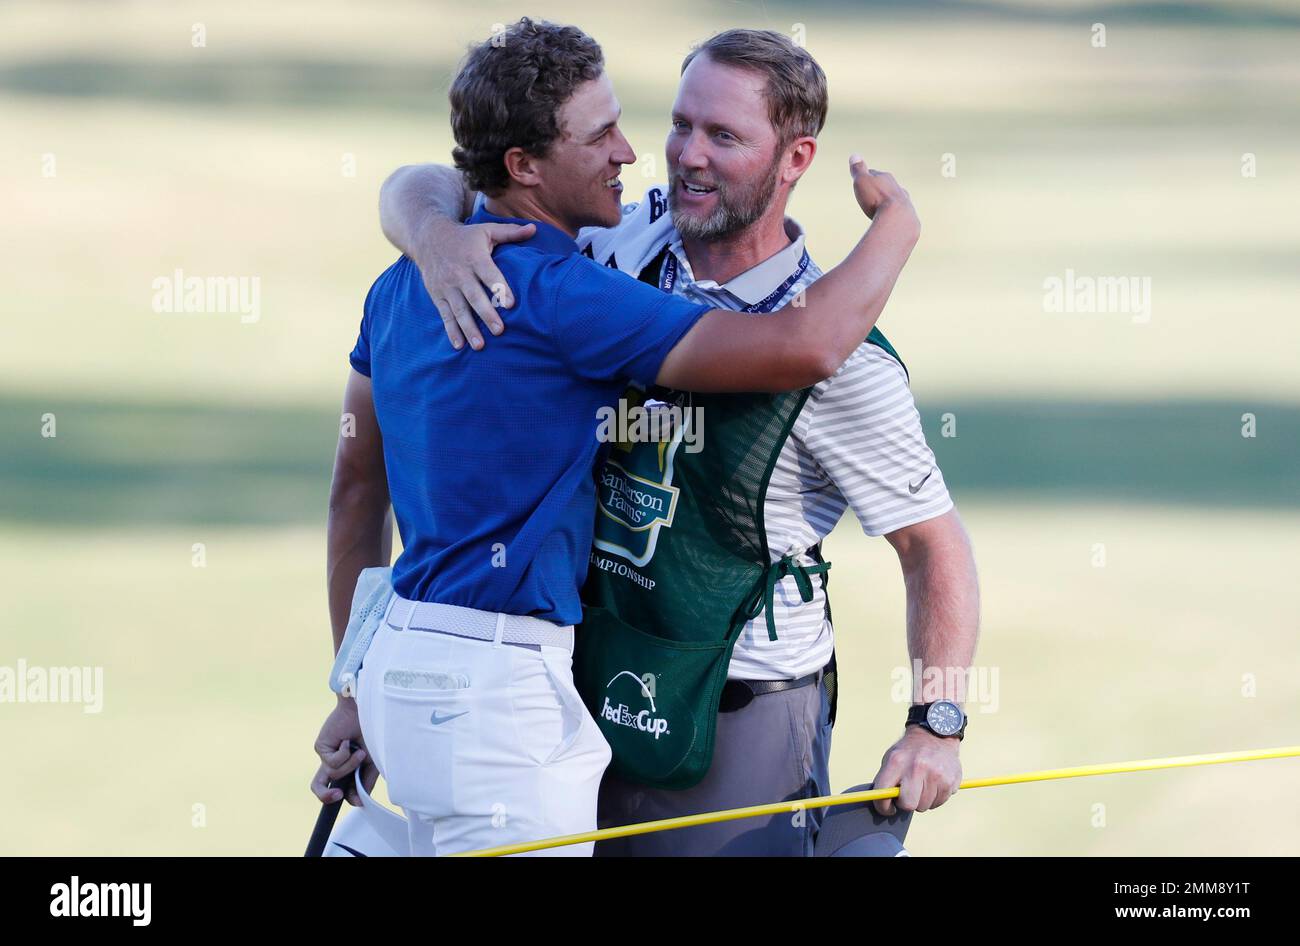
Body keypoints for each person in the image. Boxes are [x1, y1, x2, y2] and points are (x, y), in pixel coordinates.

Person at [310, 18, 921, 857]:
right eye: (603, 134)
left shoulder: (403, 283)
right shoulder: (570, 292)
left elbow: (354, 487)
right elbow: (805, 346)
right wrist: (898, 228)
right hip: (503, 701)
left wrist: (353, 683)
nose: (633, 155)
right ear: (525, 167)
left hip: (395, 666)